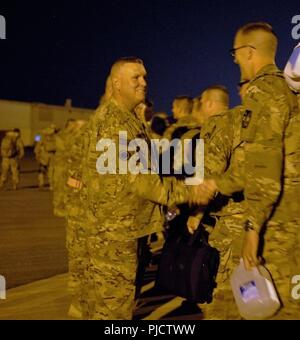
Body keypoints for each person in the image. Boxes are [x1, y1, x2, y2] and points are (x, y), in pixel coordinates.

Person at [196, 22, 300, 319]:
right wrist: (220, 183)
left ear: (249, 51)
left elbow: (264, 167)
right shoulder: (293, 90)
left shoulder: (264, 90)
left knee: (269, 309)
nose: (235, 60)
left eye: (235, 53)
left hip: (276, 227)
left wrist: (252, 230)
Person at [83, 57, 201, 320]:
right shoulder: (115, 124)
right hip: (114, 236)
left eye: (144, 76)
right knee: (113, 313)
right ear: (116, 83)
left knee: (112, 308)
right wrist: (193, 191)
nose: (144, 82)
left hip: (123, 229)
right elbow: (142, 182)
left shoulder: (127, 120)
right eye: (136, 77)